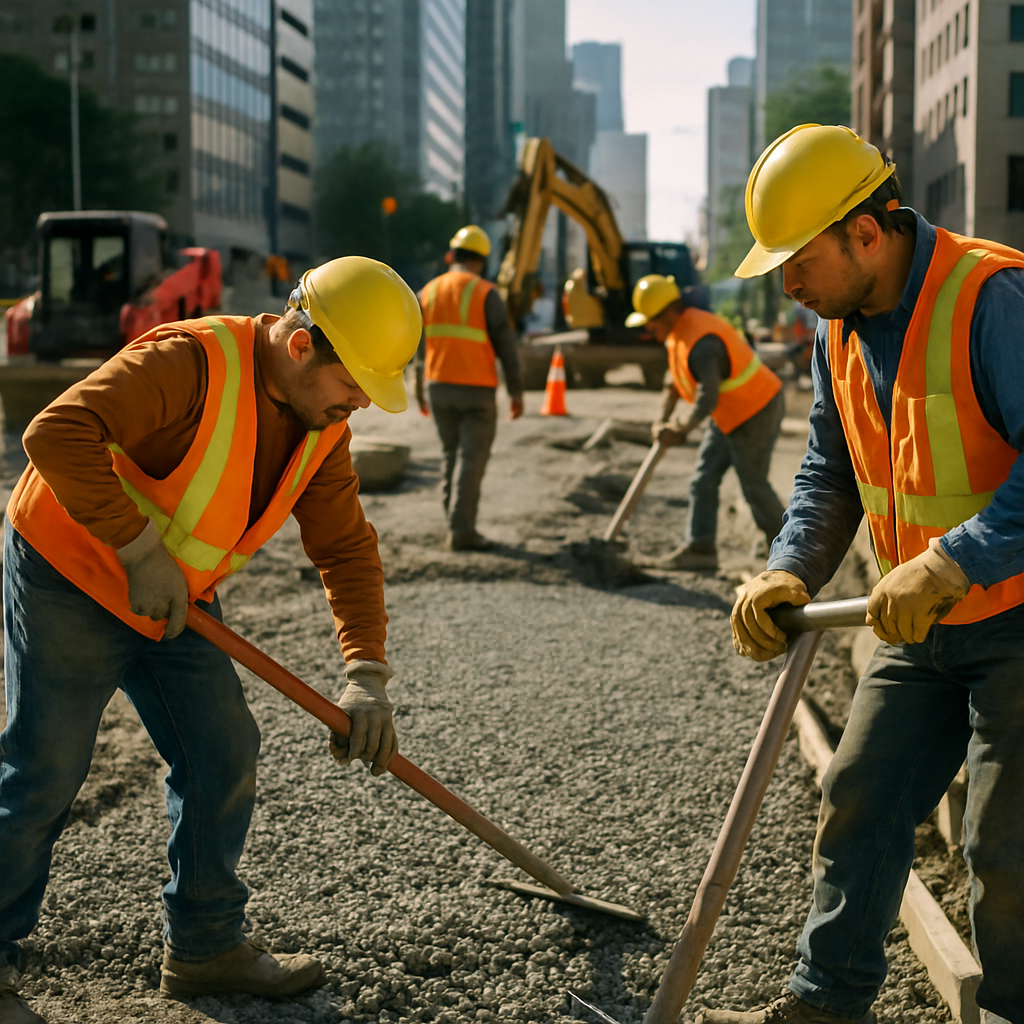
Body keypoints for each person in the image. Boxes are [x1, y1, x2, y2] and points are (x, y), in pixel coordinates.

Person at [0, 257, 422, 1024]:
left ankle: (203, 947)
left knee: (223, 751)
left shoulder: (322, 427)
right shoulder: (186, 362)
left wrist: (368, 672)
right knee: (43, 772)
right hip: (69, 572)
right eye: (354, 382)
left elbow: (346, 547)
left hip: (173, 599)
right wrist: (136, 550)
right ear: (301, 348)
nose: (361, 402)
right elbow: (55, 433)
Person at [717, 124, 1024, 1024]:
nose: (789, 285)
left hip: (1013, 621)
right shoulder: (838, 331)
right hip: (915, 622)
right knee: (859, 799)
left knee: (1003, 850)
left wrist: (952, 558)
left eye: (798, 260)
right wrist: (790, 570)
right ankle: (823, 1006)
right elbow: (829, 472)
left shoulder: (990, 298)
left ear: (865, 232)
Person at [626, 275, 786, 570]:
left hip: (756, 407)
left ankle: (789, 554)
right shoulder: (678, 334)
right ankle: (700, 549)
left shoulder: (702, 342)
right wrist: (661, 420)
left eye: (651, 321)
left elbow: (706, 397)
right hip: (729, 413)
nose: (648, 328)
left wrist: (682, 427)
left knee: (753, 485)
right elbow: (672, 383)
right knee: (703, 479)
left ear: (668, 312)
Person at [414, 225, 524, 552]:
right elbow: (506, 345)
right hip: (476, 390)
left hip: (437, 386)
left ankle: (454, 521)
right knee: (471, 459)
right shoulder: (486, 293)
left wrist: (420, 389)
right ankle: (462, 531)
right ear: (482, 261)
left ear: (451, 256)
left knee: (451, 454)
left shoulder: (427, 293)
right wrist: (516, 393)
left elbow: (418, 347)